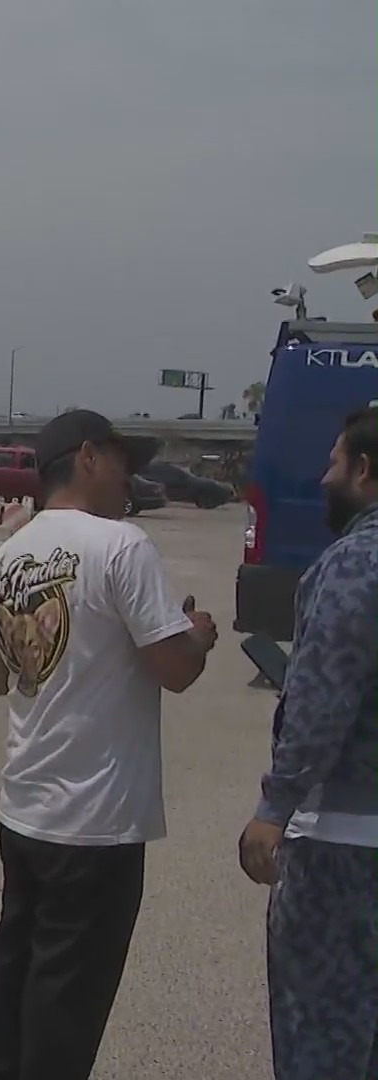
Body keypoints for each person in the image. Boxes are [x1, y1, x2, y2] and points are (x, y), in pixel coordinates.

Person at [0, 410, 218, 1080]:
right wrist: (196, 631)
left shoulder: (6, 554)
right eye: (121, 459)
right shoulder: (122, 546)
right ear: (86, 458)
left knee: (16, 962)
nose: (129, 474)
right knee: (67, 1003)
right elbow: (177, 670)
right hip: (96, 824)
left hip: (23, 809)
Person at [237, 406, 378, 1080]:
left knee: (323, 1039)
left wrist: (275, 808)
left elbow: (324, 697)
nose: (323, 478)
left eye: (332, 463)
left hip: (346, 849)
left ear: (363, 470)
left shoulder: (355, 566)